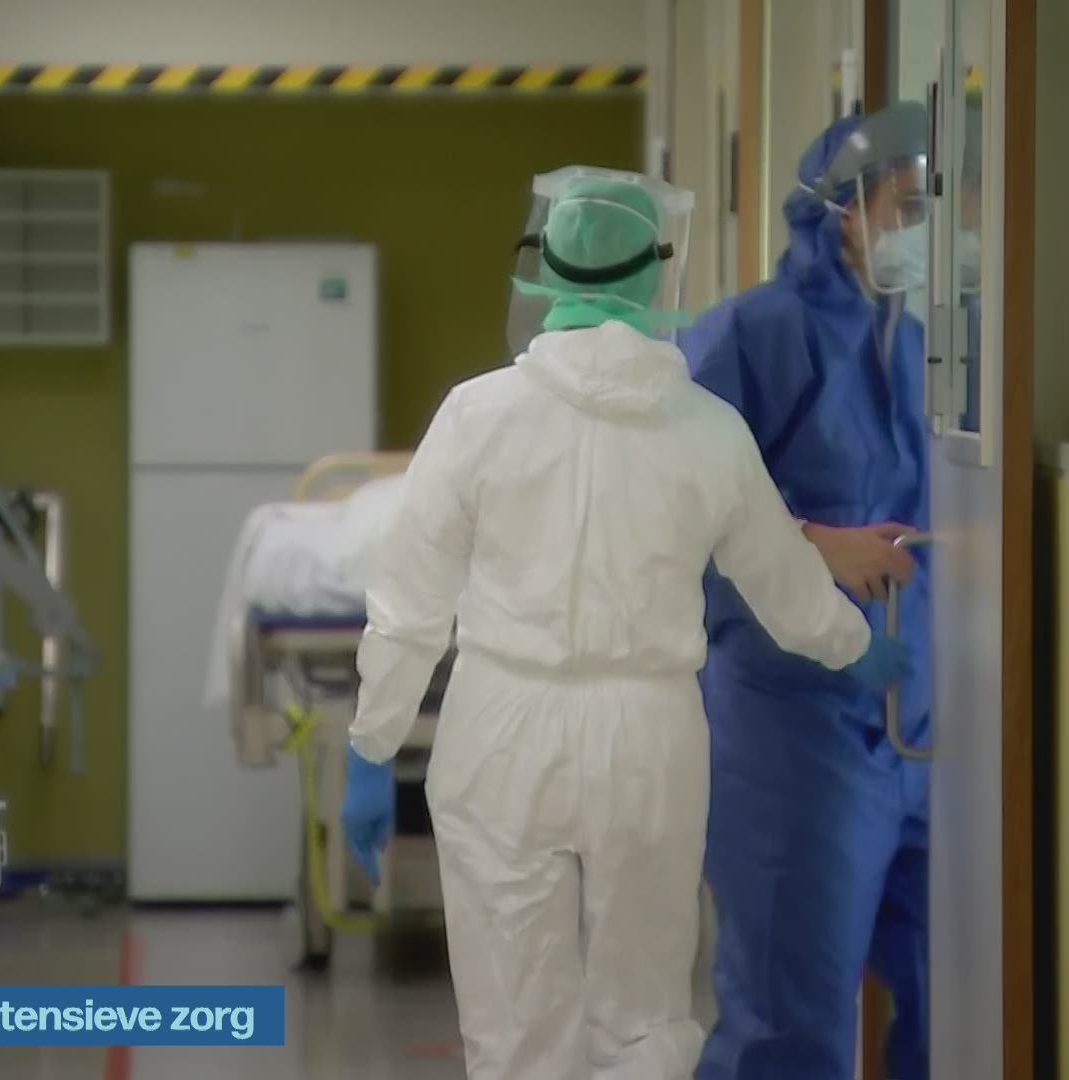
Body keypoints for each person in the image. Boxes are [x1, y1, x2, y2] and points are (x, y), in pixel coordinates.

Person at [338, 165, 911, 1080]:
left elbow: (410, 602)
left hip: (502, 731)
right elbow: (788, 588)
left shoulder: (477, 417)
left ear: (543, 265)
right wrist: (863, 651)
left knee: (513, 1019)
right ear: (656, 271)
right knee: (643, 1016)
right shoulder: (708, 429)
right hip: (650, 738)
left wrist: (373, 745)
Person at [681, 103, 936, 1080]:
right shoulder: (752, 335)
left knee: (955, 997)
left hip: (919, 722)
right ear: (843, 210)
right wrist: (811, 545)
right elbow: (672, 512)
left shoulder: (926, 344)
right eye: (906, 206)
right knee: (791, 1017)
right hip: (790, 729)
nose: (921, 230)